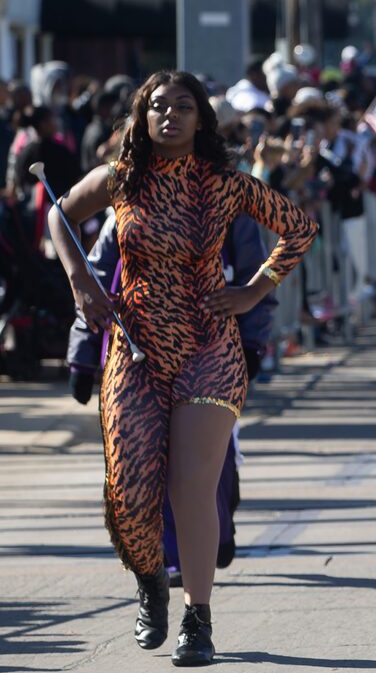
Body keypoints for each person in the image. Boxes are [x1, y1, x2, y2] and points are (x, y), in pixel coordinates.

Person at [47, 70, 317, 666]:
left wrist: (251, 292)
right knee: (129, 490)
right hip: (134, 347)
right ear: (142, 117)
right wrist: (80, 282)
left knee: (190, 487)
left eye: (184, 107)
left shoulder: (225, 184)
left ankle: (198, 617)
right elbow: (58, 217)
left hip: (207, 348)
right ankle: (150, 583)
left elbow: (298, 229)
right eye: (159, 106)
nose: (170, 116)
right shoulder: (121, 179)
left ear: (202, 119)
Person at [66, 212, 277, 584]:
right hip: (139, 354)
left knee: (209, 458)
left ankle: (221, 522)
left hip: (210, 350)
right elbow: (94, 279)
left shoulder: (228, 204)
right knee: (152, 459)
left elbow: (254, 277)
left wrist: (252, 343)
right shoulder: (126, 205)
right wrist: (82, 356)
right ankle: (170, 557)